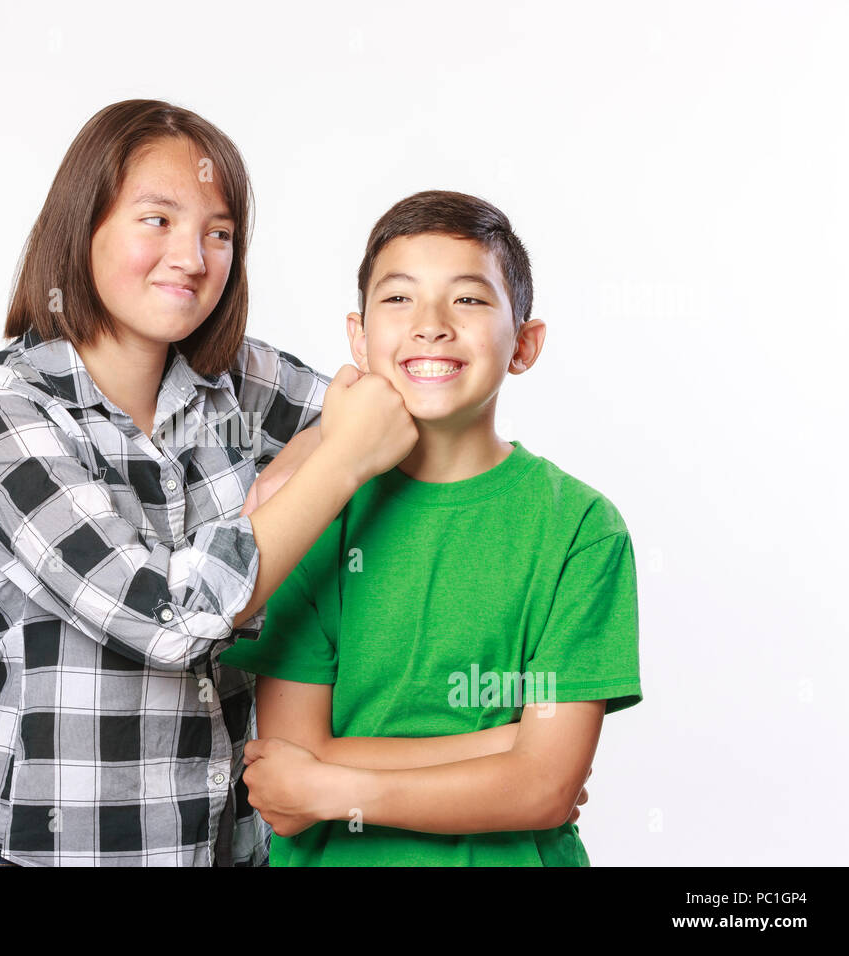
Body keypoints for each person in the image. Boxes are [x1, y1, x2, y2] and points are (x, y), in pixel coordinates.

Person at [0, 99, 427, 866]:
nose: (193, 256)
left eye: (219, 232)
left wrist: (309, 459)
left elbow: (391, 406)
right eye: (157, 220)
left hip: (228, 847)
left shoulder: (239, 383)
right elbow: (166, 617)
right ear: (82, 223)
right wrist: (332, 465)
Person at [219, 190, 642, 866]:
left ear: (525, 344)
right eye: (399, 299)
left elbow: (544, 790)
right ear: (358, 339)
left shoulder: (582, 528)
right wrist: (508, 744)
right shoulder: (313, 519)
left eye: (469, 299)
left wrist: (331, 783)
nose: (431, 325)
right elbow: (286, 777)